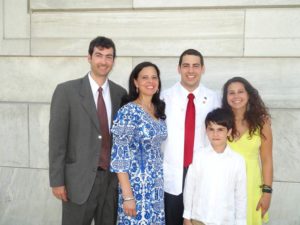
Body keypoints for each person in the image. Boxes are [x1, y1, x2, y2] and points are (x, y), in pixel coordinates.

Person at [49, 36, 127, 225]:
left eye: (109, 57)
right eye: (99, 55)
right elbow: (57, 141)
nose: (104, 61)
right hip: (78, 182)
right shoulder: (66, 91)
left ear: (113, 61)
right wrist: (57, 180)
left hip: (110, 181)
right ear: (89, 58)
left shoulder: (120, 94)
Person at [161, 49, 220, 225]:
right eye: (186, 66)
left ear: (203, 69)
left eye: (195, 66)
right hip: (172, 172)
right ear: (179, 69)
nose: (191, 70)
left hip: (201, 170)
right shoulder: (164, 97)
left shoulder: (213, 98)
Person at [110, 61, 167, 224]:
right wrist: (128, 196)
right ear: (135, 82)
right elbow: (119, 157)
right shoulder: (128, 112)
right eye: (145, 77)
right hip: (135, 186)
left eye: (154, 77)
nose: (150, 81)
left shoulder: (158, 109)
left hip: (155, 186)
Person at [222, 76, 273, 225]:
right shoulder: (221, 121)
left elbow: (267, 160)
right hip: (224, 184)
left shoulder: (261, 123)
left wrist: (267, 193)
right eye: (231, 93)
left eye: (240, 92)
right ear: (226, 97)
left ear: (248, 94)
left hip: (250, 185)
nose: (236, 96)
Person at [183, 108, 247, 225]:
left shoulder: (237, 161)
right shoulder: (199, 156)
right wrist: (187, 216)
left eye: (220, 130)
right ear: (206, 131)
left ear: (229, 132)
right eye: (211, 129)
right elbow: (190, 186)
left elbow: (240, 195)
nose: (215, 134)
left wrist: (241, 222)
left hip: (225, 221)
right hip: (198, 219)